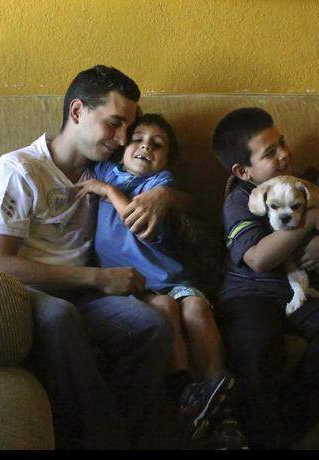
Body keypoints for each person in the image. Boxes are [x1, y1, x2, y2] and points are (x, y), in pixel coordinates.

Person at [0, 64, 188, 449]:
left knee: (153, 326)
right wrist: (98, 279)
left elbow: (168, 188)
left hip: (85, 296)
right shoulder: (18, 170)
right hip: (25, 292)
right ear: (77, 113)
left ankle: (126, 430)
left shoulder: (103, 171)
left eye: (129, 127)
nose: (124, 139)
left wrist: (164, 195)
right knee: (59, 316)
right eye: (115, 123)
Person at [211, 107, 319, 449]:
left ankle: (282, 427)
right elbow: (258, 258)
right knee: (255, 345)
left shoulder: (306, 182)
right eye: (269, 153)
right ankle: (267, 434)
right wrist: (310, 219)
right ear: (244, 171)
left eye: (281, 142)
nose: (284, 154)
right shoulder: (238, 198)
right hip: (248, 295)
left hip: (301, 292)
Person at [76, 113, 236, 441]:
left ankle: (220, 400)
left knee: (196, 309)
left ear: (166, 161)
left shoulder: (159, 185)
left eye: (157, 144)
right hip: (137, 284)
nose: (146, 145)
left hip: (172, 276)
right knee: (163, 308)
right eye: (138, 139)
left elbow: (136, 221)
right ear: (121, 147)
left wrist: (107, 191)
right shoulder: (104, 169)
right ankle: (184, 391)